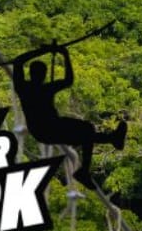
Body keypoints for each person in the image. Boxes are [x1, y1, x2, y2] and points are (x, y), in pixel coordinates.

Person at [12, 42, 127, 186]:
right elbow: (68, 80)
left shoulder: (25, 88)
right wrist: (62, 54)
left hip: (46, 129)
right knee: (87, 130)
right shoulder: (38, 88)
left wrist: (44, 51)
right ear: (41, 75)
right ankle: (103, 149)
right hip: (49, 128)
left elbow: (19, 61)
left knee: (86, 131)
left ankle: (105, 146)